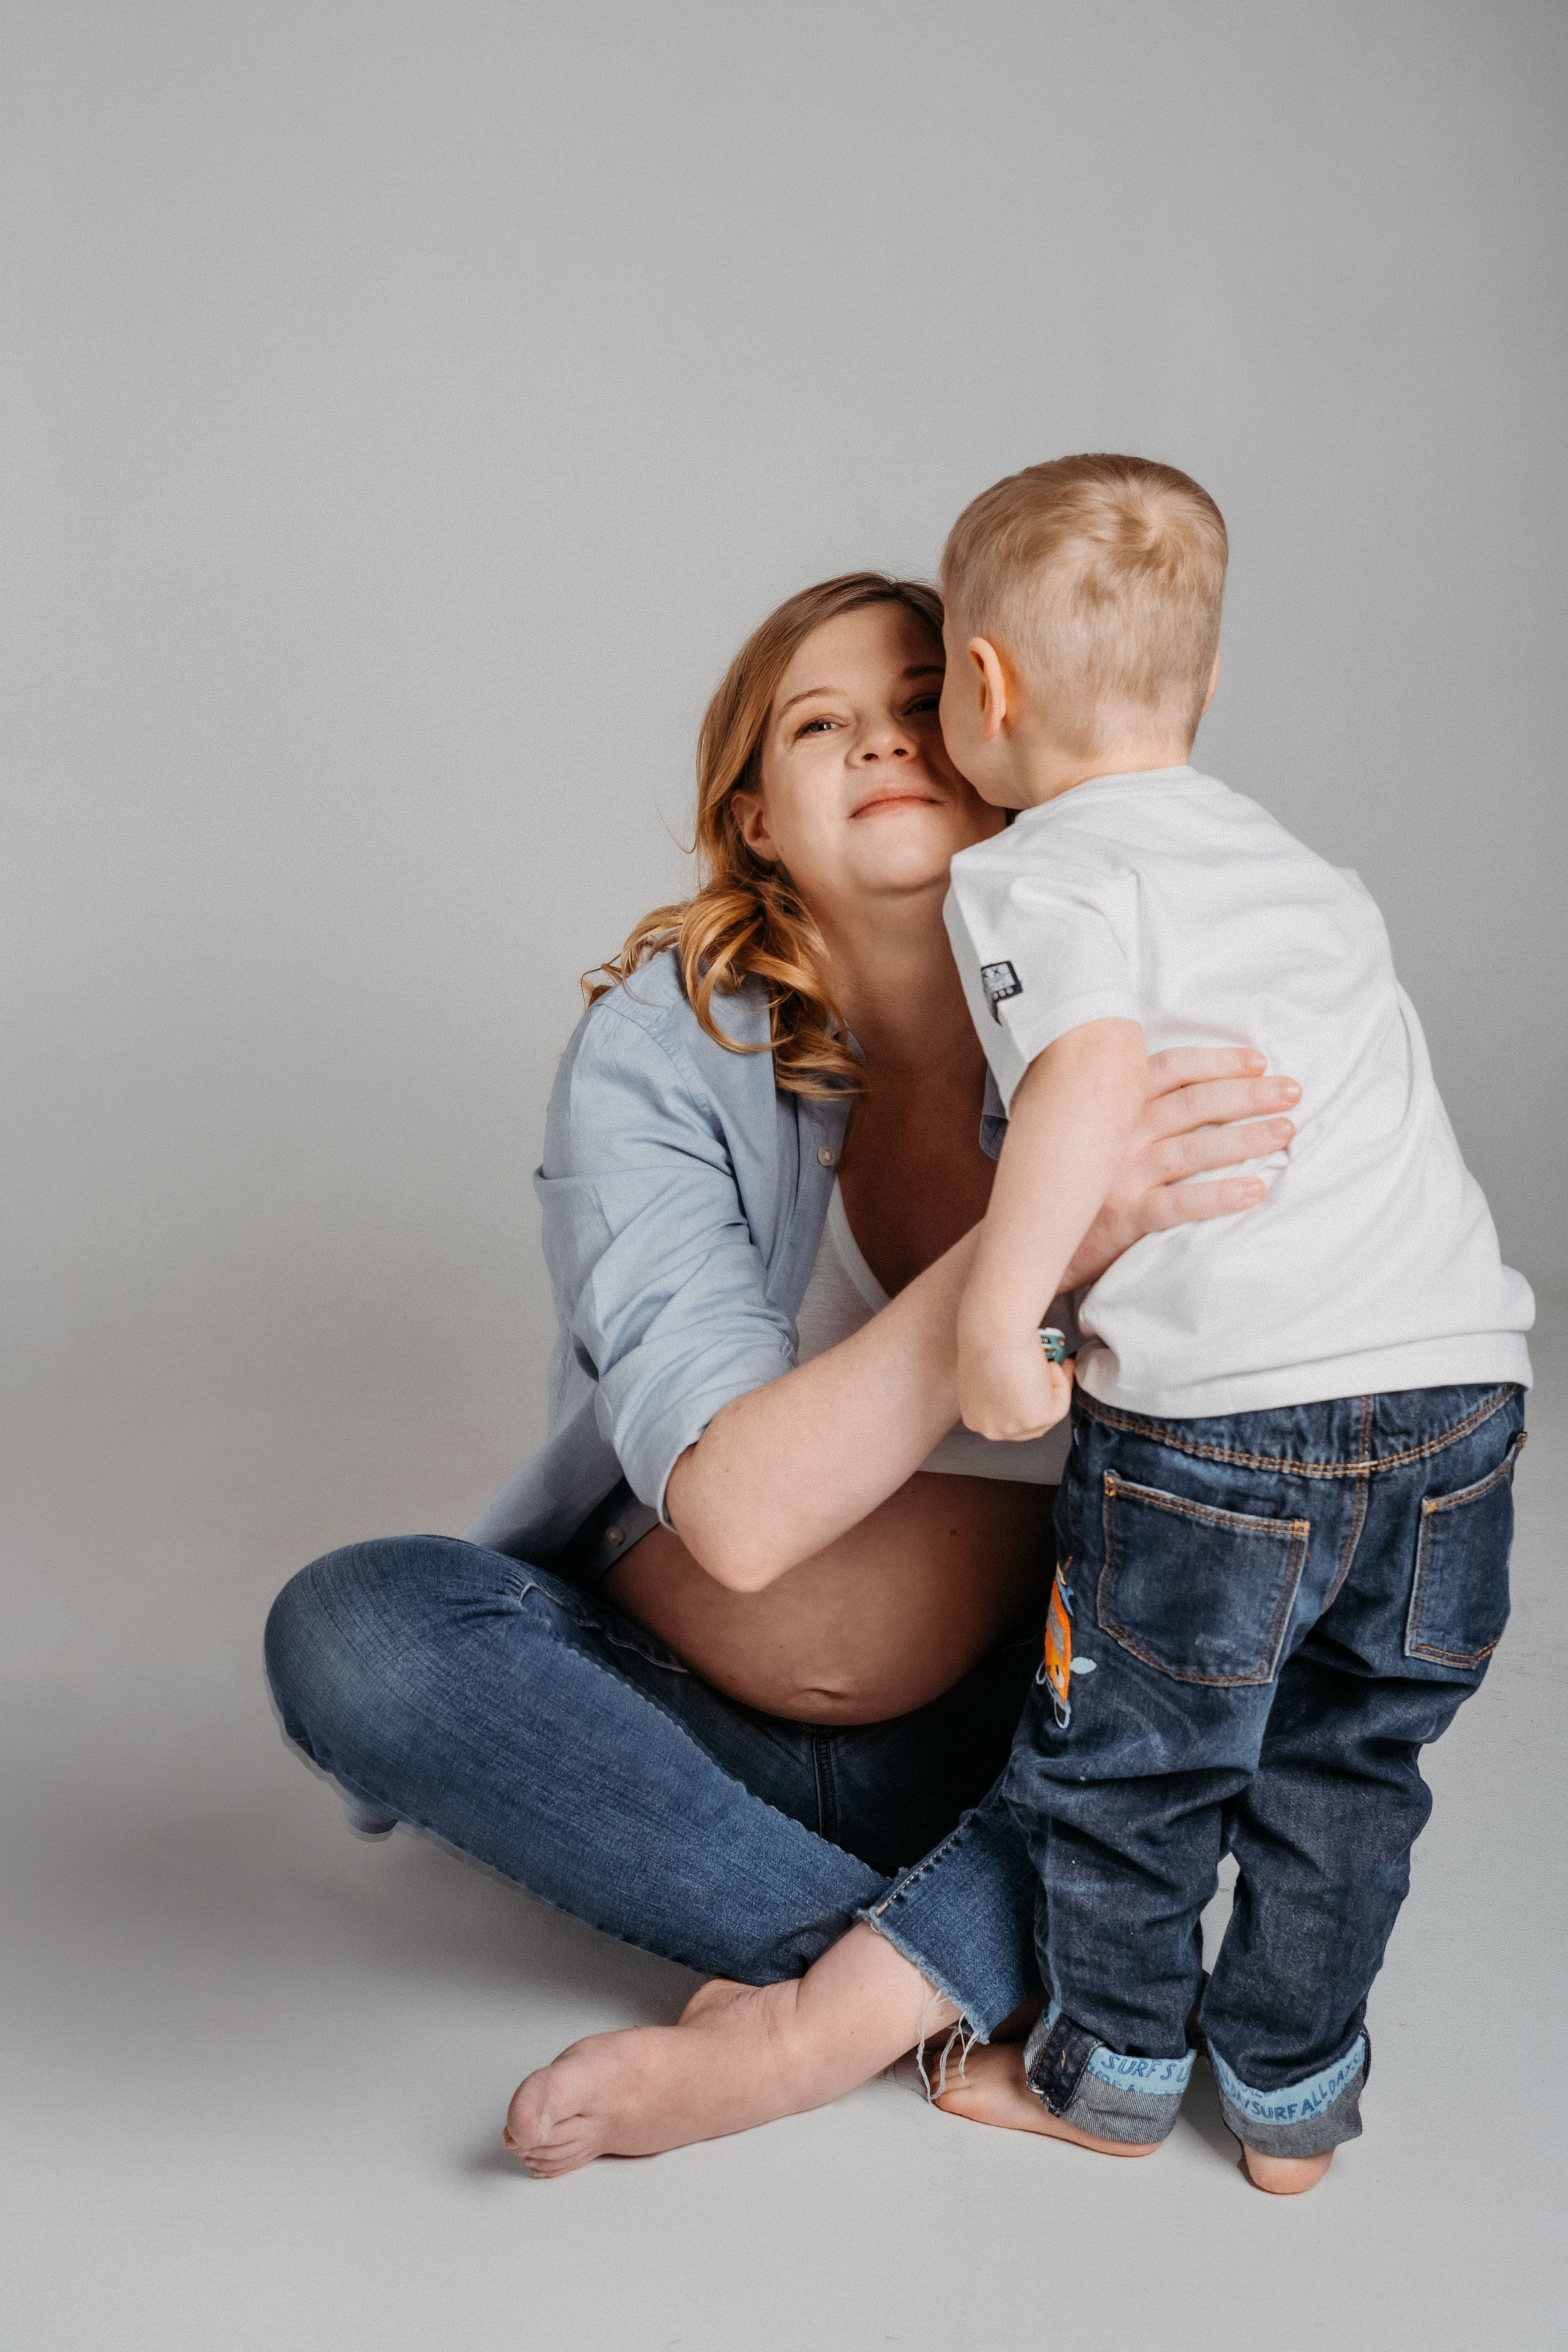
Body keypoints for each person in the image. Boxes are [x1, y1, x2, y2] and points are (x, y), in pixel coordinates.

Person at [264, 571, 1303, 2179]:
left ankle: (824, 2021)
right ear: (754, 816)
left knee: (1271, 1646)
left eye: (922, 709)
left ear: (1005, 749)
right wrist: (1052, 1230)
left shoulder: (1155, 1033)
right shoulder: (666, 1049)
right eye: (823, 725)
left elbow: (1258, 1510)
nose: (881, 743)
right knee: (356, 1631)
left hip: (1017, 1742)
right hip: (661, 1725)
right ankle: (978, 1956)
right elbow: (740, 1520)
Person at [937, 453, 1534, 2193]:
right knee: (1352, 1763)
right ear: (1204, 683)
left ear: (986, 686)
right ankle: (1289, 2105)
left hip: (1227, 1426)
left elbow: (1087, 1072)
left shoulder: (1035, 869)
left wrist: (1000, 1313)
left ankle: (1110, 2076)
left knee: (1137, 1767)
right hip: (1454, 1390)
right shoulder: (1300, 868)